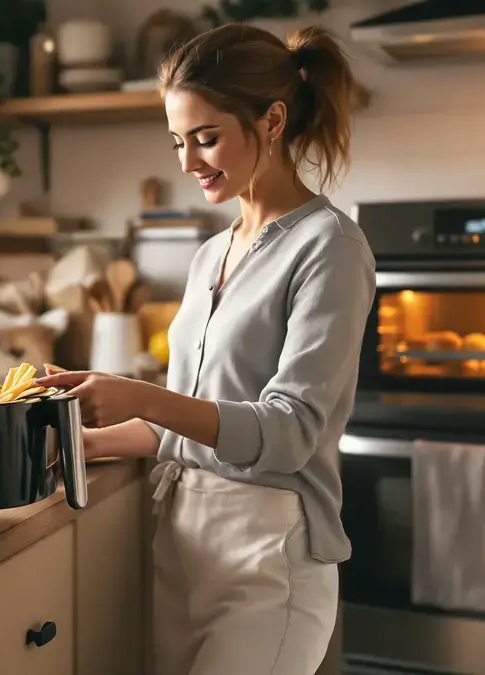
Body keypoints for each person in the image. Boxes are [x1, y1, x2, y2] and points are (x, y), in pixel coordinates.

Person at [34, 22, 375, 675]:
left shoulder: (329, 246)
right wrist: (77, 435)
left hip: (268, 553)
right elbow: (190, 422)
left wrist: (137, 394)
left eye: (207, 138)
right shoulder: (209, 255)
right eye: (177, 142)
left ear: (272, 120)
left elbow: (287, 432)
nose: (188, 163)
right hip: (184, 540)